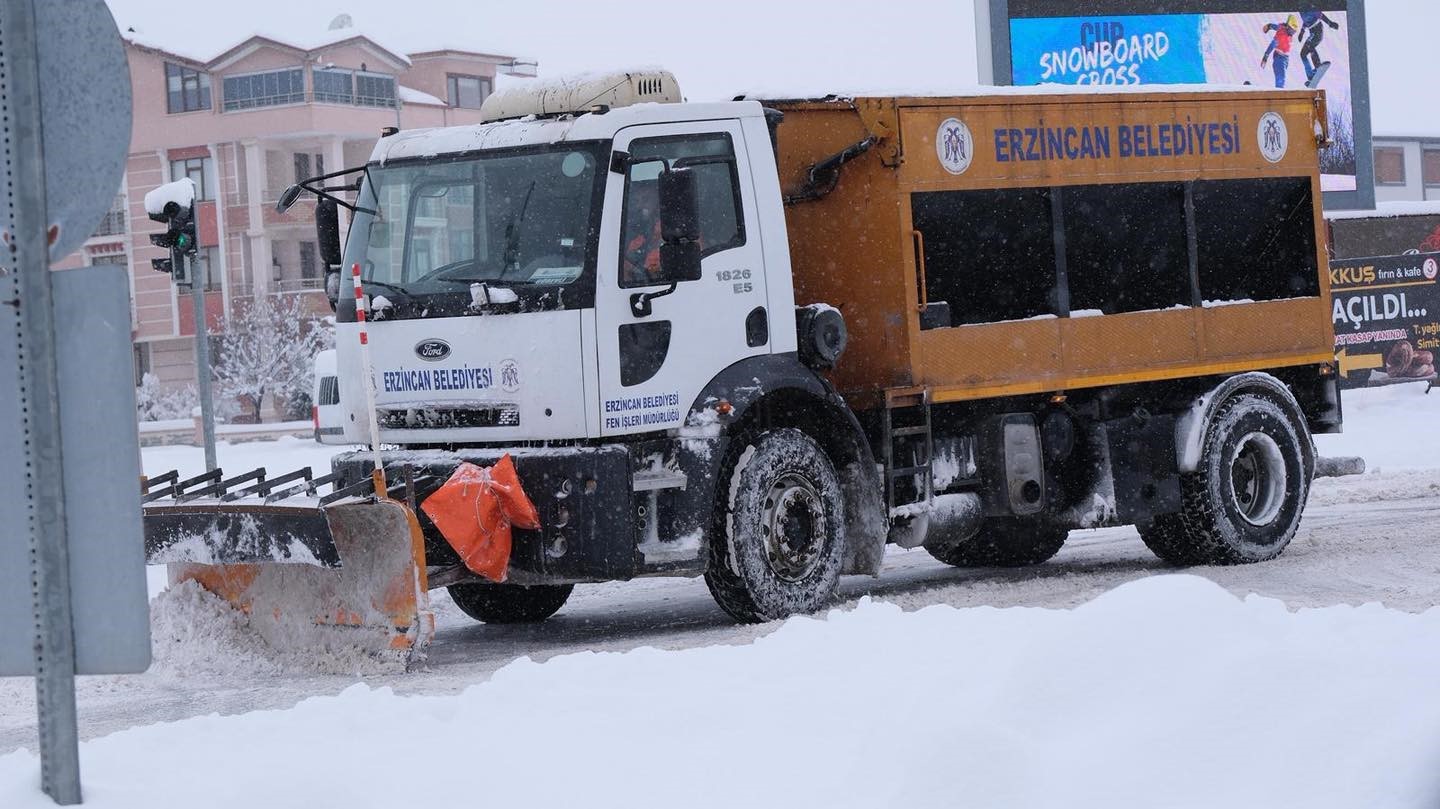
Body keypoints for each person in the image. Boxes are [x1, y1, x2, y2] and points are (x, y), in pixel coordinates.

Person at [622, 180, 664, 285]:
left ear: (659, 199)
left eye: (646, 199)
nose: (640, 206)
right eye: (637, 201)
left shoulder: (677, 229)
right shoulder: (634, 230)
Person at [1298, 9, 1341, 84]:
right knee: (1303, 54)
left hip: (1317, 30)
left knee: (1310, 46)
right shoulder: (1301, 11)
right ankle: (1310, 76)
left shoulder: (1307, 6)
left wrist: (1330, 23)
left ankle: (1317, 66)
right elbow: (1306, 21)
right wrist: (1302, 31)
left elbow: (1319, 14)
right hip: (1312, 32)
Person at [1260, 14, 1300, 88]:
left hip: (1285, 58)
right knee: (1281, 78)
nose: (1292, 33)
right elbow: (1271, 46)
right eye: (1292, 30)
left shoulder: (1283, 28)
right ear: (1288, 27)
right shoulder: (1281, 35)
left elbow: (1276, 26)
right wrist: (1265, 57)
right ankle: (1280, 92)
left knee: (1282, 77)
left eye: (1294, 31)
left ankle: (1280, 90)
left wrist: (1269, 26)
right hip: (1279, 58)